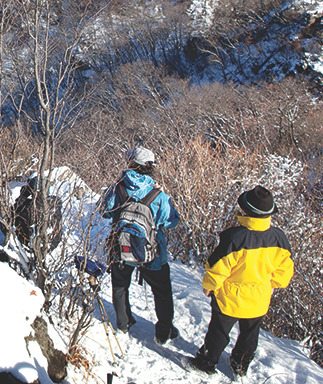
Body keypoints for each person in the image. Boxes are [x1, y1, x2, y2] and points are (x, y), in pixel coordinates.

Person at [188, 185, 294, 377]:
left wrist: (209, 287)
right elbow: (285, 270)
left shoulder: (234, 237)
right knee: (250, 336)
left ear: (247, 211)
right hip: (259, 298)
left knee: (219, 333)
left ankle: (207, 362)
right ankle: (240, 366)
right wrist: (272, 285)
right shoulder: (279, 238)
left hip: (230, 298)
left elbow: (218, 268)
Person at [99, 146, 180, 344]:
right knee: (162, 291)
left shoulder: (117, 188)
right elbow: (171, 221)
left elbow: (105, 211)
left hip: (121, 246)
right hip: (152, 250)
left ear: (130, 163)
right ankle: (163, 332)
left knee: (120, 286)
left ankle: (123, 324)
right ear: (150, 167)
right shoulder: (157, 194)